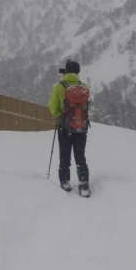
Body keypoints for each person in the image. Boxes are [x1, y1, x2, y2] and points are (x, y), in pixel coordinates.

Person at [49, 58, 90, 195]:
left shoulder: (59, 86)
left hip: (64, 127)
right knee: (80, 156)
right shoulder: (84, 86)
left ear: (66, 70)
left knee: (64, 156)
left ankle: (65, 182)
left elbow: (53, 108)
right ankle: (84, 185)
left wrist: (61, 114)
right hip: (80, 127)